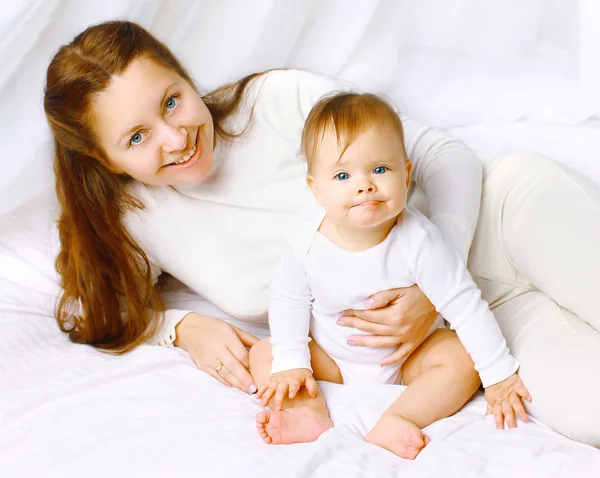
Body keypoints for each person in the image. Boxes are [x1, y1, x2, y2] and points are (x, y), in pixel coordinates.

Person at [43, 20, 600, 447]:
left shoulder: (274, 101)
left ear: (186, 78)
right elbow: (92, 307)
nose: (176, 136)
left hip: (503, 221)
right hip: (476, 332)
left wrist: (434, 287)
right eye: (137, 137)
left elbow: (442, 154)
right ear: (103, 158)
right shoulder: (137, 219)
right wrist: (182, 327)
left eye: (172, 101)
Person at [250, 92, 531, 459]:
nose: (364, 184)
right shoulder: (305, 245)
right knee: (265, 352)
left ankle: (400, 416)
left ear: (407, 174)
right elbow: (288, 301)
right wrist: (291, 363)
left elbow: (464, 305)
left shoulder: (420, 240)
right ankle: (308, 411)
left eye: (380, 170)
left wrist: (498, 375)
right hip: (333, 357)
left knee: (461, 359)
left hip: (408, 357)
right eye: (342, 175)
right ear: (315, 189)